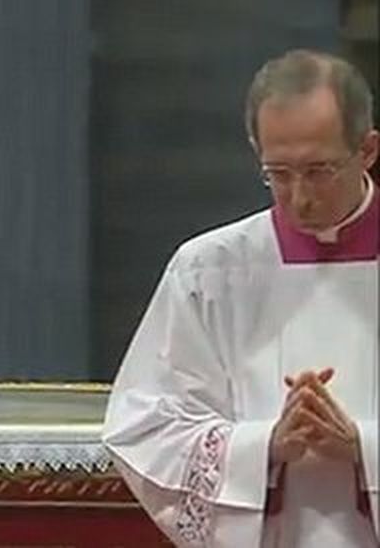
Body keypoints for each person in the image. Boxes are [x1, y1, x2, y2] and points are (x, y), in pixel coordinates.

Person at [103, 49, 379, 546]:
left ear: (368, 150)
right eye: (278, 173)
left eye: (319, 170)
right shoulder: (209, 270)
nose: (300, 196)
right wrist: (263, 447)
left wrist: (362, 446)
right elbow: (144, 428)